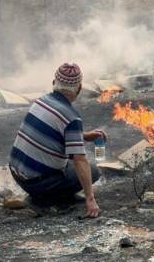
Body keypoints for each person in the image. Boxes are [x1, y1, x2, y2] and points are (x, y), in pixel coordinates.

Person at [9, 62, 105, 218]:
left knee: (69, 163)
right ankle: (50, 198)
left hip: (17, 173)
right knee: (93, 171)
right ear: (79, 88)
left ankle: (47, 191)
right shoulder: (71, 116)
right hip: (37, 184)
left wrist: (85, 136)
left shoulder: (41, 101)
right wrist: (90, 199)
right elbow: (80, 161)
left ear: (54, 83)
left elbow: (55, 133)